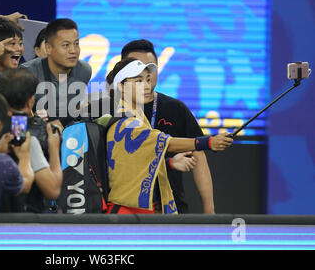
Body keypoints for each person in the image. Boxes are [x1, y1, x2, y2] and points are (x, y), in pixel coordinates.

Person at [104, 58, 233, 214]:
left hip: (136, 213)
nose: (146, 86)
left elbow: (133, 166)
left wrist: (169, 163)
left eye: (147, 79)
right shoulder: (126, 122)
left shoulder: (136, 117)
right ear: (121, 87)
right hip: (127, 214)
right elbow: (167, 142)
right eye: (138, 81)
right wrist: (209, 142)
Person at [121, 39, 215, 214]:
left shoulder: (176, 109)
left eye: (150, 67)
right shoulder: (108, 110)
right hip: (123, 211)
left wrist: (209, 209)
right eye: (136, 69)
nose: (145, 74)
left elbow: (198, 156)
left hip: (171, 209)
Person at [0, 68, 62, 213]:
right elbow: (53, 190)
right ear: (31, 101)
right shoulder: (27, 133)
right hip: (25, 219)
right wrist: (54, 148)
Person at [20, 18, 92, 129]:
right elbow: (16, 119)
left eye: (76, 44)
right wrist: (34, 119)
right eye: (66, 45)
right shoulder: (26, 73)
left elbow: (75, 107)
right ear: (48, 48)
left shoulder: (84, 71)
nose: (73, 50)